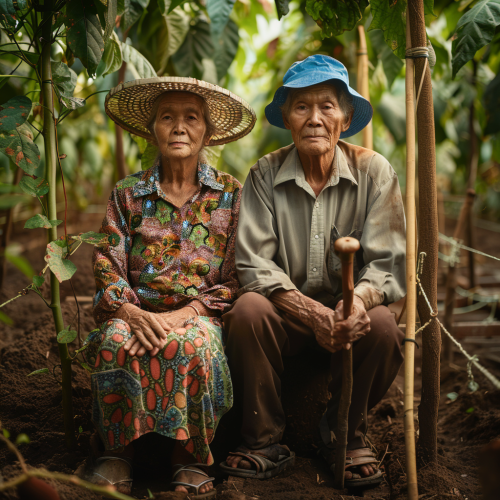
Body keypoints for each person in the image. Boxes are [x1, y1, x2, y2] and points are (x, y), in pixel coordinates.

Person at [221, 55, 406, 489]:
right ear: (286, 117)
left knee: (382, 326)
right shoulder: (264, 174)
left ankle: (343, 433)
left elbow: (388, 263)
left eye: (326, 106)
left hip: (349, 318)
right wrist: (312, 314)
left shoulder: (374, 172)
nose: (315, 118)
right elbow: (251, 263)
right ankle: (263, 439)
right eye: (302, 107)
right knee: (247, 310)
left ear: (344, 117)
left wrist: (354, 303)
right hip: (286, 318)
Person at [84, 77, 255, 497]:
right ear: (153, 130)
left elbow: (236, 277)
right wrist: (131, 313)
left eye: (191, 118)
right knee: (115, 342)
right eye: (167, 118)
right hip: (137, 311)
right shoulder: (127, 194)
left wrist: (183, 315)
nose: (179, 127)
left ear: (207, 133)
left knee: (192, 346)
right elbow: (107, 264)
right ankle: (118, 452)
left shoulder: (230, 195)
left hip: (199, 315)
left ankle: (189, 458)